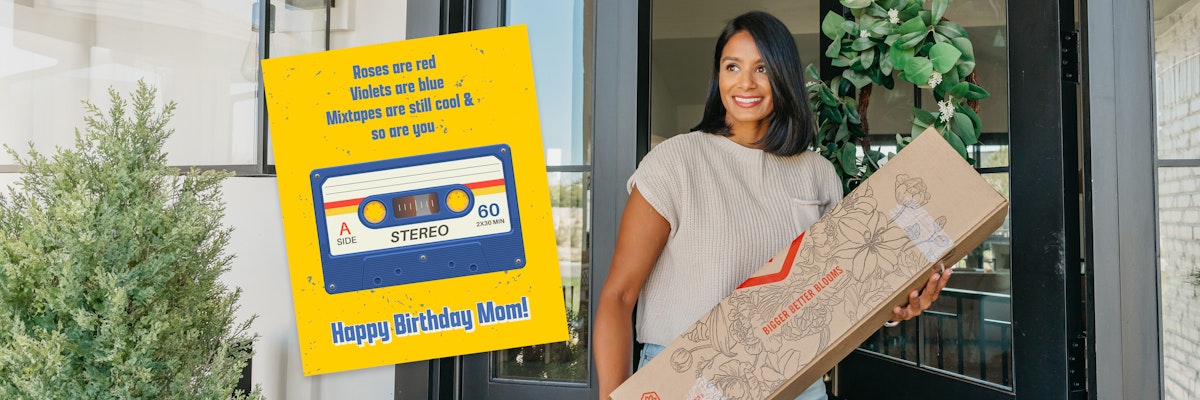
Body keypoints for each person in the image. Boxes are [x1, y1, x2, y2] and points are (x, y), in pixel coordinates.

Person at [594, 11, 952, 400]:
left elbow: (841, 290)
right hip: (686, 380)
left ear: (783, 78)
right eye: (733, 66)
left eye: (762, 68)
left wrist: (895, 310)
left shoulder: (817, 174)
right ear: (718, 77)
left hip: (795, 380)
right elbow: (619, 296)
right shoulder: (675, 162)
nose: (745, 82)